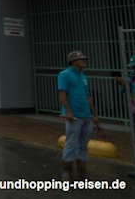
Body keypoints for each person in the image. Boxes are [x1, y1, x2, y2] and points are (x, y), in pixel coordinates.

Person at [57, 50, 100, 180]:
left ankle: (82, 171)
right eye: (81, 59)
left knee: (83, 144)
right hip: (74, 116)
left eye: (84, 59)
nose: (84, 61)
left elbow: (88, 96)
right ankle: (67, 171)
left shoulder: (84, 77)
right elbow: (62, 93)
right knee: (71, 143)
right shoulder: (65, 75)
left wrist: (94, 114)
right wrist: (68, 111)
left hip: (86, 115)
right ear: (73, 61)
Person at [116, 54, 135, 178]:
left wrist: (129, 85)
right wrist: (122, 84)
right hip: (134, 113)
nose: (134, 69)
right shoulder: (132, 75)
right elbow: (126, 91)